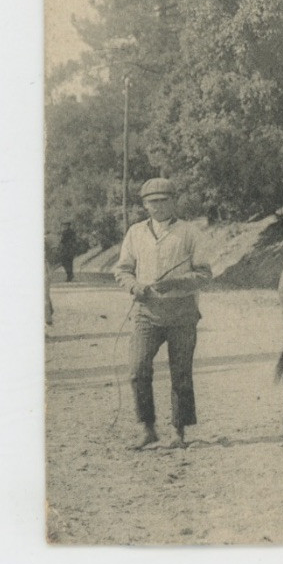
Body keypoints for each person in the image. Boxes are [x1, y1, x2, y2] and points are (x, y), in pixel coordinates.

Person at [114, 178, 211, 450]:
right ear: (145, 205)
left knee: (180, 373)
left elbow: (204, 274)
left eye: (163, 201)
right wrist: (135, 286)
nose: (158, 207)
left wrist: (177, 283)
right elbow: (122, 270)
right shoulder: (135, 233)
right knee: (136, 369)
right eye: (151, 202)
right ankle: (147, 428)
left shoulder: (189, 233)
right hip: (147, 313)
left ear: (174, 202)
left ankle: (179, 432)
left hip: (182, 314)